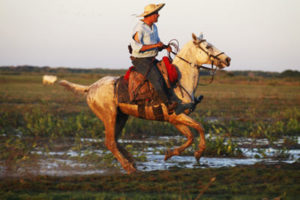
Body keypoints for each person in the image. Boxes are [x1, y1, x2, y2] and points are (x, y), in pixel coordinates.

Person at [130, 3, 181, 112]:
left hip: (151, 58)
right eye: (157, 13)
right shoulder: (139, 28)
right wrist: (155, 46)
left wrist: (164, 47)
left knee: (167, 74)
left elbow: (157, 44)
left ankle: (171, 98)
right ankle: (168, 105)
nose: (158, 15)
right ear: (150, 15)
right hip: (141, 60)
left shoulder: (154, 27)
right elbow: (136, 48)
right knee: (157, 78)